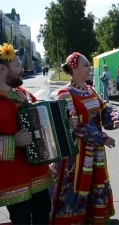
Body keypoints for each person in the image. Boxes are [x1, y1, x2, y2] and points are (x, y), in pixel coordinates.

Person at [49, 52, 119, 224]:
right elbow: (74, 124)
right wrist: (102, 137)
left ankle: (93, 217)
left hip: (95, 150)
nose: (89, 68)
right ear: (74, 68)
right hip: (77, 154)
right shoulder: (65, 94)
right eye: (86, 65)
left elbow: (105, 108)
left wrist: (115, 117)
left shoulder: (90, 89)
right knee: (75, 186)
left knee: (95, 181)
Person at [0, 43, 53, 224]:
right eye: (17, 66)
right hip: (13, 178)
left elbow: (43, 114)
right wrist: (13, 141)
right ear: (2, 69)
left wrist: (63, 121)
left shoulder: (23, 94)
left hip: (38, 173)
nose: (22, 69)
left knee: (43, 211)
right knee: (21, 219)